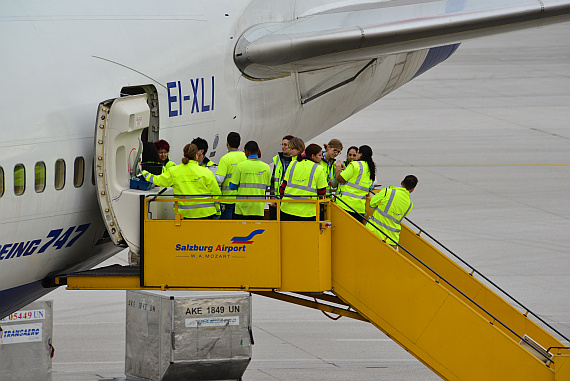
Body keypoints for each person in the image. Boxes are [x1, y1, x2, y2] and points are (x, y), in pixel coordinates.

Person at [142, 143, 220, 219]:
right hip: (206, 213)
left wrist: (145, 173)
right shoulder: (206, 172)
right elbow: (216, 192)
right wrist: (218, 211)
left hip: (184, 214)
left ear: (184, 154)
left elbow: (157, 180)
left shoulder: (174, 171)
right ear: (196, 156)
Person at [366, 175, 418, 249]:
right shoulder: (410, 205)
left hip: (374, 232)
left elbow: (372, 204)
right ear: (412, 189)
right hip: (392, 240)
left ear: (402, 182)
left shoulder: (387, 192)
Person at [279, 143, 328, 221]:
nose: (322, 157)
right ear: (312, 156)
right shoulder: (318, 169)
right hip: (307, 213)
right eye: (319, 155)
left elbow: (283, 187)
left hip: (287, 209)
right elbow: (322, 192)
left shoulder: (293, 164)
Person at [230, 141, 271, 220]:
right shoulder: (266, 167)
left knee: (241, 231)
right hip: (258, 208)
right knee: (256, 231)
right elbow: (266, 187)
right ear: (258, 150)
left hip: (242, 208)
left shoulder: (240, 166)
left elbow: (232, 186)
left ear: (247, 151)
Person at [334, 145, 376, 223]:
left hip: (345, 205)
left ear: (360, 154)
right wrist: (347, 170)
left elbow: (340, 179)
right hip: (359, 207)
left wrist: (338, 168)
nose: (354, 155)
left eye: (356, 153)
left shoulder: (354, 165)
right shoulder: (370, 167)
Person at [215, 132, 247, 219]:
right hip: (242, 198)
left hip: (227, 199)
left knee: (227, 229)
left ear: (227, 143)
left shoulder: (225, 159)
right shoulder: (245, 157)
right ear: (239, 144)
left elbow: (219, 179)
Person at [269, 135, 295, 220]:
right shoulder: (278, 159)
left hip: (289, 200)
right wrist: (272, 196)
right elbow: (273, 179)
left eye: (285, 145)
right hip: (277, 199)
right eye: (282, 144)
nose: (283, 147)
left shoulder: (296, 160)